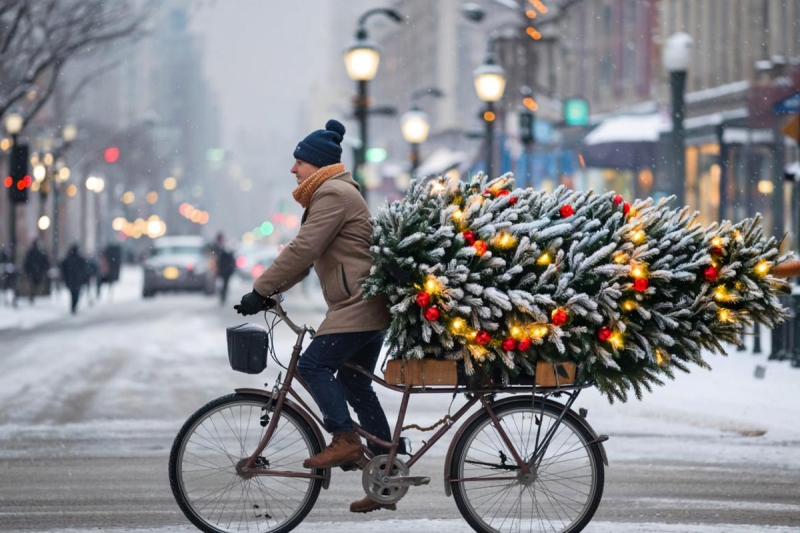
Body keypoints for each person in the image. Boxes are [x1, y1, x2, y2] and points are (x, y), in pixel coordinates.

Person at [234, 119, 396, 514]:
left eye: (299, 162)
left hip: (359, 307)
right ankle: (387, 472)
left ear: (318, 164)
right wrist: (273, 292)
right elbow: (308, 262)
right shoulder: (331, 193)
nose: (293, 169)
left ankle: (345, 438)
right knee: (355, 384)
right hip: (361, 306)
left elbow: (303, 249)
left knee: (312, 366)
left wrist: (259, 290)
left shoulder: (333, 194)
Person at [60, 244, 88, 314]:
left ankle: (73, 306)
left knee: (73, 294)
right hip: (77, 280)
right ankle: (74, 306)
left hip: (71, 279)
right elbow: (84, 269)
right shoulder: (80, 259)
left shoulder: (68, 259)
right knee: (76, 294)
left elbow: (63, 268)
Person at [212, 233, 236, 305]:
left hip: (225, 270)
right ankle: (222, 296)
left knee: (224, 285)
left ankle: (223, 297)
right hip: (221, 269)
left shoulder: (225, 247)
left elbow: (230, 258)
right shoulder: (216, 247)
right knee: (220, 285)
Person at [23, 239, 50, 304]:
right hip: (36, 272)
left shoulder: (31, 252)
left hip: (33, 272)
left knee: (33, 284)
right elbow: (45, 263)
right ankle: (32, 294)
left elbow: (26, 263)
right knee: (35, 284)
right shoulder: (39, 253)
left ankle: (32, 294)